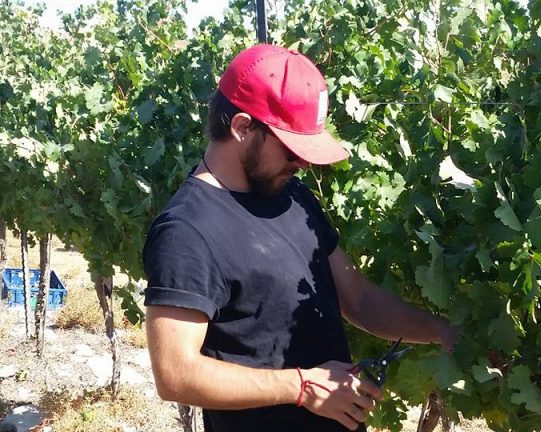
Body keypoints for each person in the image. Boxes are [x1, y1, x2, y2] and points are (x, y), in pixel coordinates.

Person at [142, 44, 460, 432]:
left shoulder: (292, 194)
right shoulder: (187, 231)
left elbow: (357, 297)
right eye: (291, 149)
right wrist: (302, 386)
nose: (303, 163)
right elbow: (175, 373)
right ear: (242, 128)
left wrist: (442, 332)